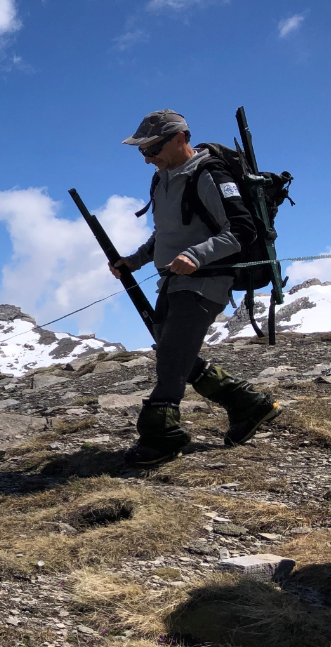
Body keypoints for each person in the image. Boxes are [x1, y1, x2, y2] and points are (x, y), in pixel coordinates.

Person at [109, 109, 281, 467]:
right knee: (172, 348)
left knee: (172, 355)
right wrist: (134, 261)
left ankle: (161, 435)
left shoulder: (209, 174)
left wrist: (197, 256)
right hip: (172, 280)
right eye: (142, 151)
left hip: (207, 280)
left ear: (180, 138)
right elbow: (165, 234)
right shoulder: (162, 178)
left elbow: (241, 230)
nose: (147, 158)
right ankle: (247, 405)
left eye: (152, 149)